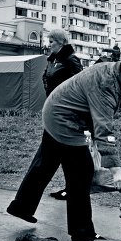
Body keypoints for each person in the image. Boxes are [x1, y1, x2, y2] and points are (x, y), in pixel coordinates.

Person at [7, 50, 121, 241]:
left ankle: (21, 206)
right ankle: (82, 233)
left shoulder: (115, 73)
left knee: (46, 162)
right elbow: (104, 128)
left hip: (57, 111)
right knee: (81, 173)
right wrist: (116, 170)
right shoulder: (106, 83)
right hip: (64, 119)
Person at [43, 29, 83, 202]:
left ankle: (72, 189)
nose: (48, 44)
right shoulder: (52, 61)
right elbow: (45, 79)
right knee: (60, 155)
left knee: (67, 155)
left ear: (61, 42)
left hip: (67, 113)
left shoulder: (70, 60)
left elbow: (80, 82)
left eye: (51, 41)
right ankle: (71, 188)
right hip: (53, 112)